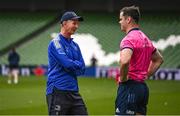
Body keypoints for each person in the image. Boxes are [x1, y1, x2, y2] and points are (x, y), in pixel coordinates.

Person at [115, 6, 164, 115]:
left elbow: (125, 61)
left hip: (129, 87)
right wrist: (146, 75)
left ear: (128, 20)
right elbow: (159, 59)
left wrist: (122, 79)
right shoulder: (145, 38)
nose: (119, 22)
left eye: (121, 19)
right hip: (142, 88)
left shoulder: (128, 39)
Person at [46, 11, 88, 115]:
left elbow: (82, 68)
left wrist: (72, 64)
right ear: (64, 23)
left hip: (73, 91)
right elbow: (67, 64)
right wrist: (75, 64)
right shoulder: (55, 43)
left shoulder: (75, 45)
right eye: (74, 23)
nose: (77, 26)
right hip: (58, 91)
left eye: (77, 23)